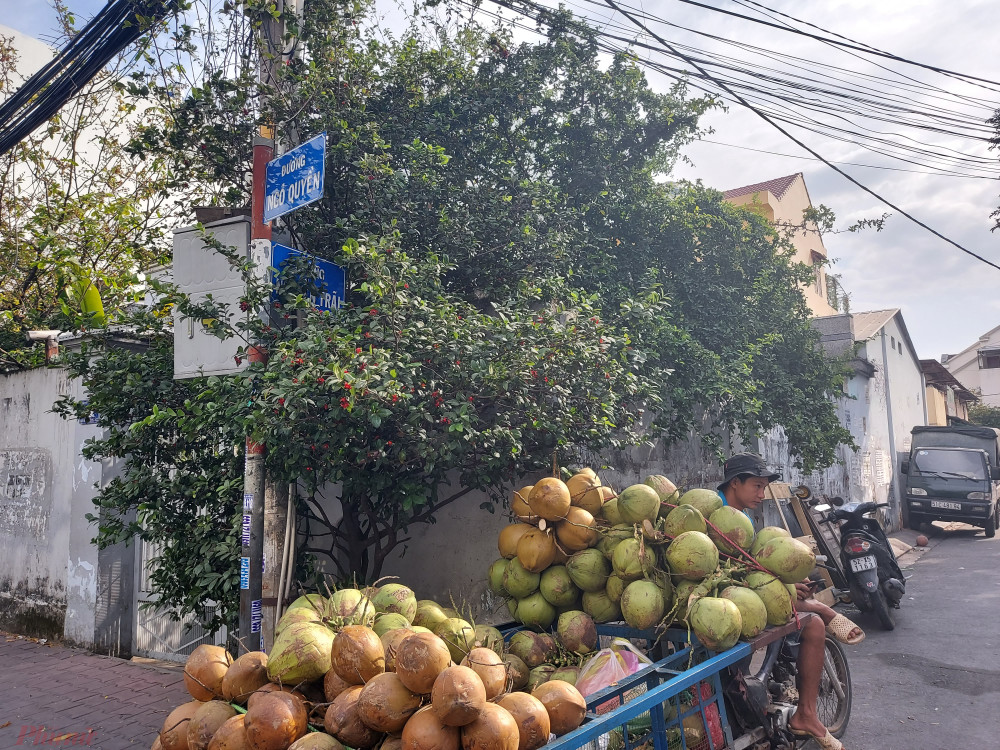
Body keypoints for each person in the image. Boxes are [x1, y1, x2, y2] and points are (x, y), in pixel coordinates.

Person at [718, 452, 863, 750]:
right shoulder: (720, 514)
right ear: (735, 483)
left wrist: (787, 582)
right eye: (757, 486)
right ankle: (806, 715)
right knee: (813, 626)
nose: (762, 494)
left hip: (742, 592)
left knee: (805, 614)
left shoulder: (738, 515)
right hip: (730, 601)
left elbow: (750, 566)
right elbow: (729, 573)